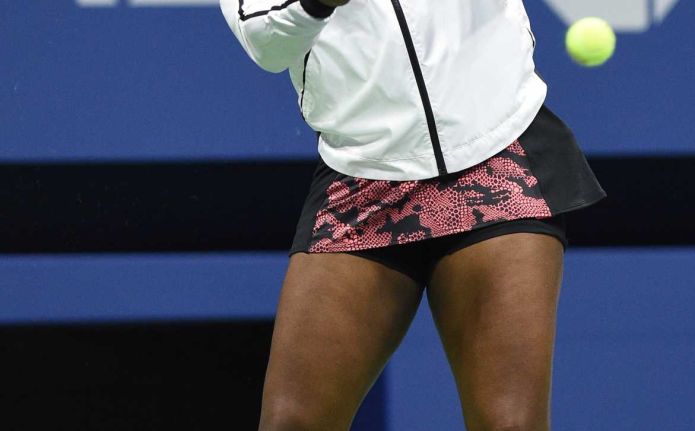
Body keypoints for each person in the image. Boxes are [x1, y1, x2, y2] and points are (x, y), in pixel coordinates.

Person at [220, 0, 606, 429]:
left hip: (496, 154)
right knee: (292, 424)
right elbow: (264, 41)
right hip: (361, 177)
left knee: (510, 424)